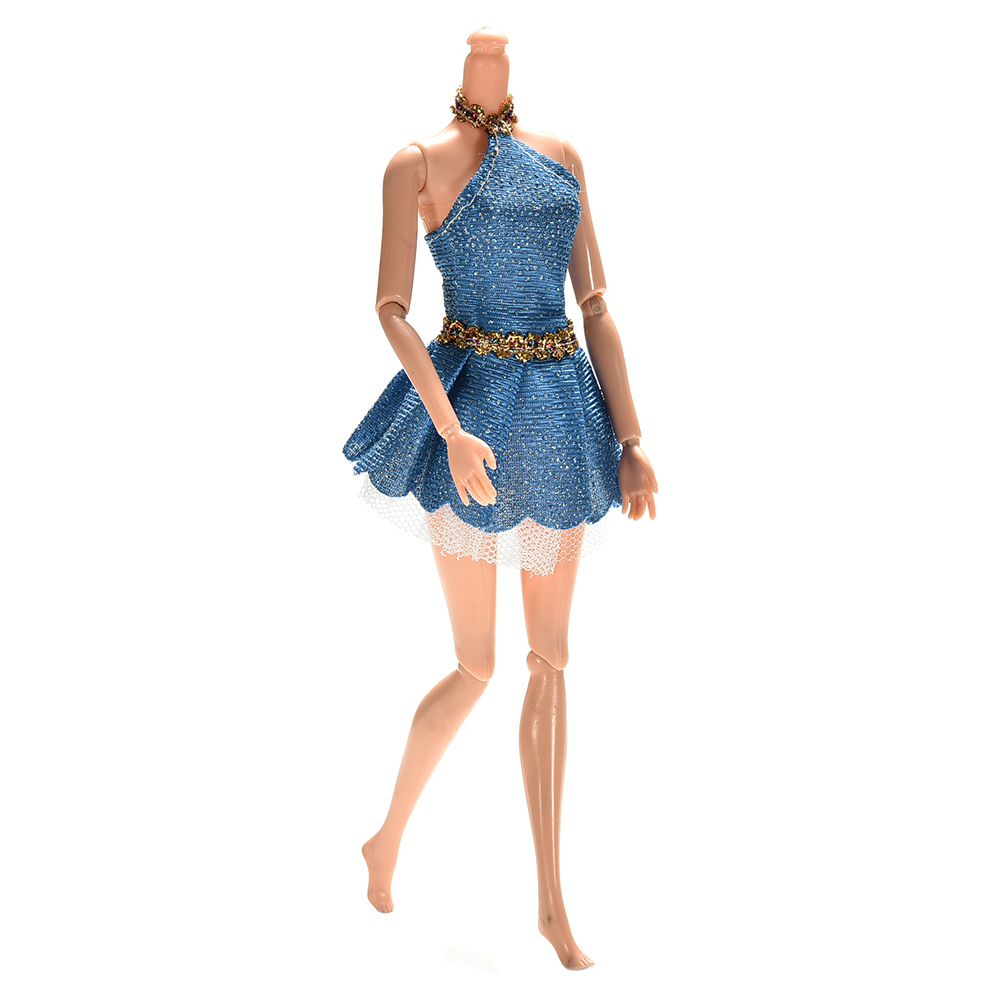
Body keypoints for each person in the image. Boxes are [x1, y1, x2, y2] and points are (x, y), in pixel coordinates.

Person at [343, 28, 658, 970]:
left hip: (560, 411)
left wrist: (632, 438)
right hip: (470, 411)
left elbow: (595, 303)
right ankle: (386, 838)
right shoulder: (415, 164)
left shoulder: (562, 156)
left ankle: (552, 905)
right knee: (475, 662)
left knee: (550, 658)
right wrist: (446, 427)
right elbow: (390, 308)